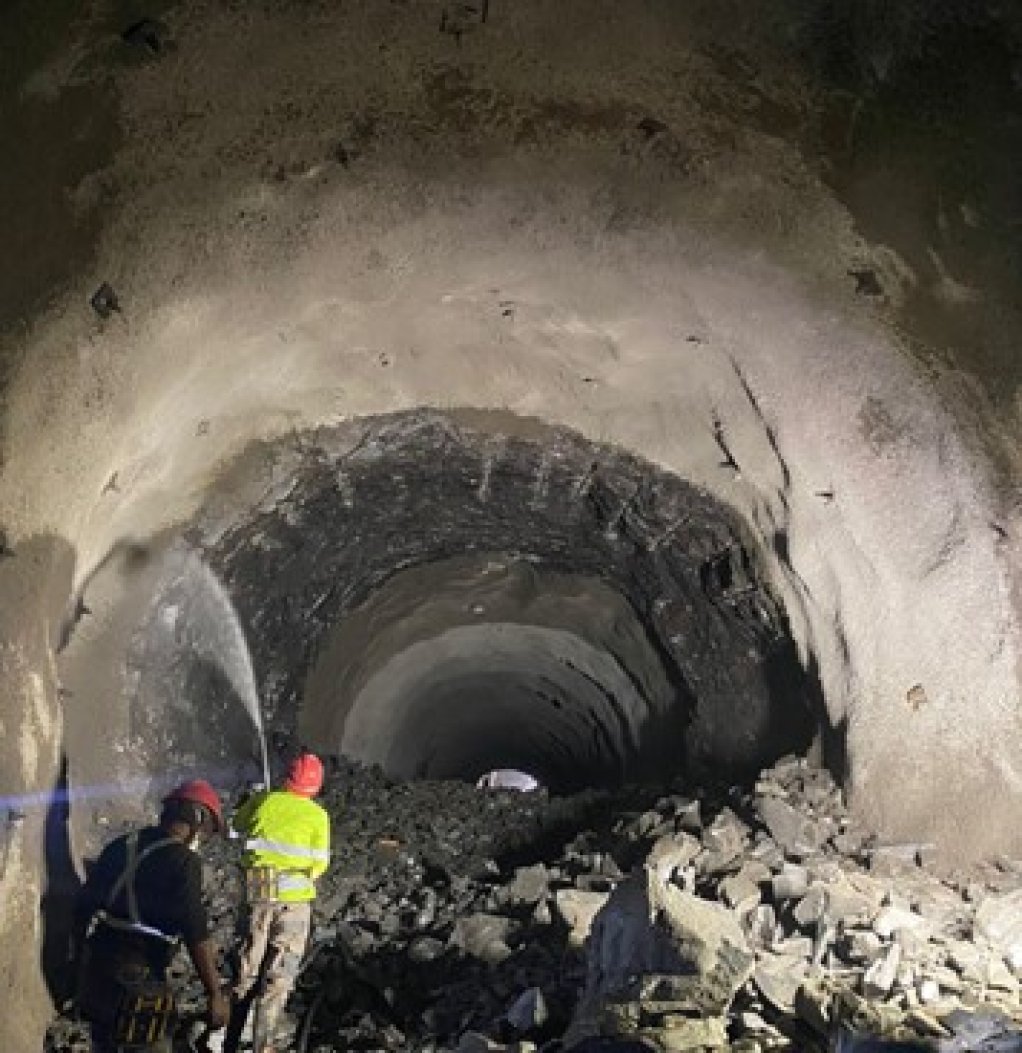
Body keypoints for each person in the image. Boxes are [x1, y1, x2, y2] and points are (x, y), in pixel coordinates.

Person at [73, 779, 231, 1052]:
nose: (203, 839)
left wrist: (76, 960)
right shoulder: (184, 861)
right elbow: (195, 931)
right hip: (137, 977)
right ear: (197, 818)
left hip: (97, 970)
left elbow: (83, 905)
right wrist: (215, 994)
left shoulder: (122, 844)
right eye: (206, 831)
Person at [228, 753, 330, 1053]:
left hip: (258, 894)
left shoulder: (265, 800)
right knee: (280, 975)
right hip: (295, 903)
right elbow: (319, 864)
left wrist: (256, 802)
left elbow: (236, 826)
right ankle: (263, 1043)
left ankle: (222, 1036)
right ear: (316, 786)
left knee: (246, 968)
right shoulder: (317, 816)